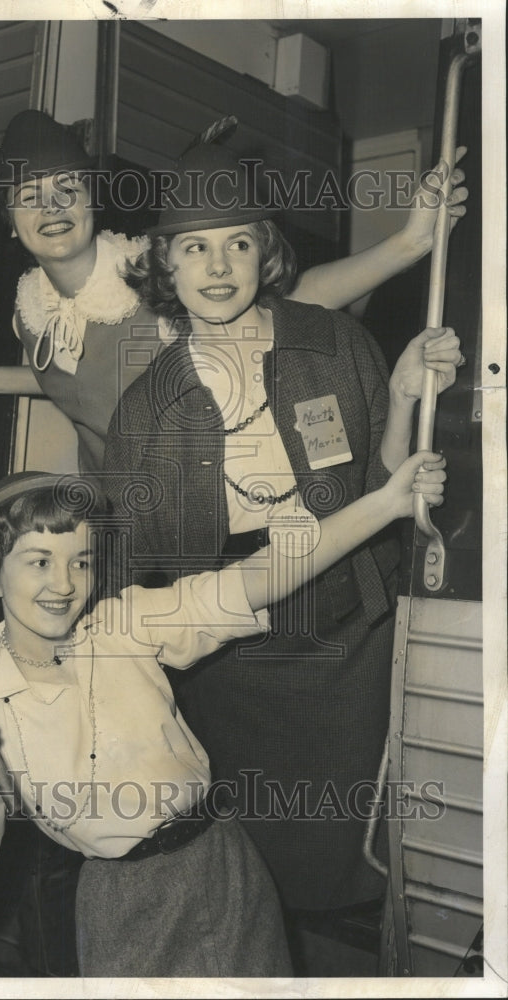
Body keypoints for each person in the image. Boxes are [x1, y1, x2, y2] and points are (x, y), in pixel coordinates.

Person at [0, 457, 446, 977]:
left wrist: (387, 503)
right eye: (39, 561)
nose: (64, 584)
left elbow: (257, 576)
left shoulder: (123, 624)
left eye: (80, 561)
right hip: (124, 904)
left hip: (223, 864)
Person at [102, 143, 464, 929]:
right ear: (165, 261)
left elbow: (387, 483)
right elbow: (138, 571)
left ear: (266, 250)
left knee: (366, 841)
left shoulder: (330, 341)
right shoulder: (147, 407)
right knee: (256, 861)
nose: (218, 265)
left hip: (350, 634)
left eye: (238, 241)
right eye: (193, 246)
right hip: (233, 658)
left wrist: (402, 392)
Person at [0, 109, 467, 473]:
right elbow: (76, 379)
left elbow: (294, 298)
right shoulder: (32, 310)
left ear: (93, 200)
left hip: (200, 513)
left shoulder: (156, 273)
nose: (51, 208)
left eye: (67, 189)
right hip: (111, 522)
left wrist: (409, 244)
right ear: (10, 222)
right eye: (30, 197)